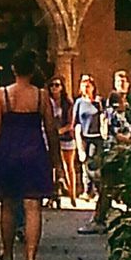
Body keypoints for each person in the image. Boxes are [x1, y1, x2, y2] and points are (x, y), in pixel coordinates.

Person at [0, 48, 60, 260]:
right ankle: (31, 258)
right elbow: (51, 129)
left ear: (13, 69)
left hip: (8, 152)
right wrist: (56, 161)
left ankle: (7, 252)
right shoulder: (41, 96)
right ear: (33, 69)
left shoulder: (2, 95)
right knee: (33, 205)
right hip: (34, 152)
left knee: (8, 205)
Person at [78, 89, 131, 235]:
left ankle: (105, 218)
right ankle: (99, 219)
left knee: (110, 189)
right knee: (107, 188)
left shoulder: (122, 115)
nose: (125, 104)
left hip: (121, 154)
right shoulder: (112, 114)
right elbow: (117, 135)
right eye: (123, 101)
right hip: (114, 155)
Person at [72, 74, 105, 200]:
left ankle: (96, 190)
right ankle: (87, 190)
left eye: (88, 85)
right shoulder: (79, 102)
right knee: (84, 162)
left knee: (93, 163)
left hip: (96, 137)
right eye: (83, 85)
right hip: (84, 136)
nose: (86, 88)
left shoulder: (98, 102)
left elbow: (103, 116)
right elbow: (75, 122)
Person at [48, 77, 78, 207]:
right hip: (52, 138)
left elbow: (71, 123)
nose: (54, 88)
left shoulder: (67, 103)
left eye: (57, 85)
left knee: (68, 166)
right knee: (52, 167)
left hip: (66, 136)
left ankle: (72, 195)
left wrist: (61, 130)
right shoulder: (47, 102)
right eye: (52, 85)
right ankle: (52, 194)